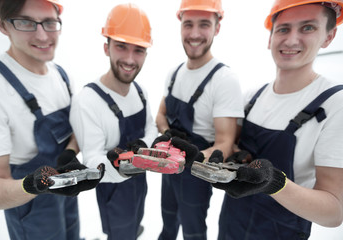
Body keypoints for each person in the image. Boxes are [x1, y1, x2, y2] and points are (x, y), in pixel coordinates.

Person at [196, 0, 343, 239]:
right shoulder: (252, 97)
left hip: (281, 232)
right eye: (283, 29)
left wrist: (274, 183)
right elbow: (228, 147)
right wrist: (192, 156)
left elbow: (334, 212)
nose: (291, 40)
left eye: (308, 28)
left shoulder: (335, 104)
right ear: (270, 37)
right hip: (231, 225)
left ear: (329, 36)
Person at [0, 0, 104, 240]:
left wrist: (69, 154)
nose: (42, 35)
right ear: (1, 23)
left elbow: (73, 131)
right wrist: (33, 185)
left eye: (49, 22)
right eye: (26, 22)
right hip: (29, 207)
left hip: (65, 194)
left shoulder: (60, 74)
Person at [154, 0, 244, 239]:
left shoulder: (224, 80)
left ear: (217, 27)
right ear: (180, 26)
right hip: (168, 167)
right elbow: (160, 115)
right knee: (167, 220)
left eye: (204, 24)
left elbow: (225, 143)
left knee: (193, 232)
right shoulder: (174, 74)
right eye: (188, 24)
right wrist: (167, 135)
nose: (194, 33)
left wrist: (186, 158)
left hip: (196, 173)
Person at [69, 3, 158, 240]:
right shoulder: (88, 101)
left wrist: (145, 147)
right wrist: (126, 163)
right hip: (113, 192)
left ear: (146, 53)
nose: (130, 59)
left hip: (139, 184)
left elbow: (150, 128)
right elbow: (92, 160)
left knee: (134, 223)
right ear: (106, 47)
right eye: (121, 46)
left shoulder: (140, 92)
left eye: (138, 49)